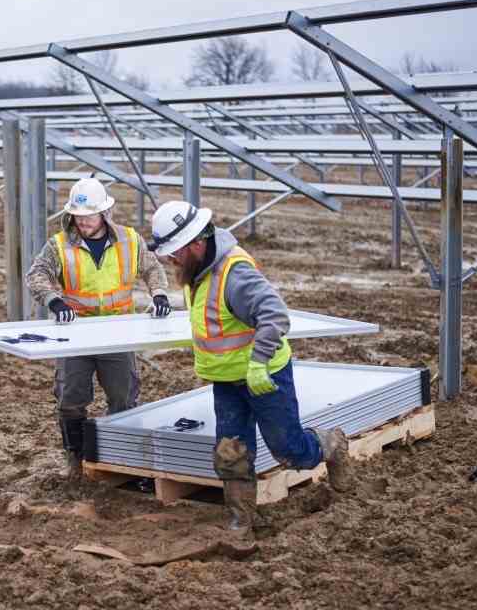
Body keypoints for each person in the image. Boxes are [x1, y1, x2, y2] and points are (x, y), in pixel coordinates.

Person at [148, 200, 352, 533]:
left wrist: (258, 364)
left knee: (289, 450)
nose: (172, 260)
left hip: (264, 376)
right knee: (230, 454)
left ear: (196, 243)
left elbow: (275, 315)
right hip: (227, 381)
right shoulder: (196, 271)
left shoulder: (234, 274)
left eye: (175, 253)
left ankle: (331, 444)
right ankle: (242, 520)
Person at [27, 178, 171, 482]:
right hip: (76, 334)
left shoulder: (130, 240)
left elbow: (153, 268)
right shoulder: (59, 244)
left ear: (105, 212)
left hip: (117, 332)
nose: (83, 222)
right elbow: (37, 274)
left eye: (89, 216)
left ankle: (120, 459)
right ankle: (76, 460)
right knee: (70, 398)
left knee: (123, 398)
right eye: (78, 217)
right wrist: (54, 301)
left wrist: (159, 293)